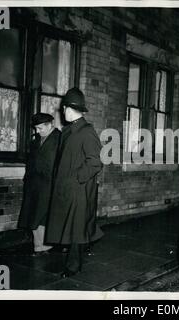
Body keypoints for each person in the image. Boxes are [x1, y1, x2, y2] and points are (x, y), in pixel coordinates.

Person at [45, 87, 103, 278]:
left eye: (64, 109)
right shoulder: (69, 130)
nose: (63, 112)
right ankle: (76, 251)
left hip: (79, 190)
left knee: (76, 227)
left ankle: (73, 266)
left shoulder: (86, 132)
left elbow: (95, 162)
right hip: (66, 188)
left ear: (70, 109)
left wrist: (76, 177)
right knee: (70, 225)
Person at [18, 113, 60, 256]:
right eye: (36, 128)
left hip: (50, 183)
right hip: (33, 183)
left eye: (40, 128)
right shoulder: (36, 140)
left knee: (42, 215)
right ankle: (40, 245)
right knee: (34, 214)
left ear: (50, 125)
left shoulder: (60, 139)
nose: (37, 132)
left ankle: (45, 244)